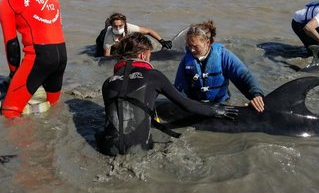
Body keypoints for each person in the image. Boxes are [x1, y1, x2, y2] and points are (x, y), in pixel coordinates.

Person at [98, 32, 238, 156]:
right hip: (141, 150)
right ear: (142, 55)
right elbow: (186, 105)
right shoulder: (154, 76)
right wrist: (216, 111)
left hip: (107, 149)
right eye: (149, 56)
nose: (149, 59)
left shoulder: (107, 83)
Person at [0, 0, 67, 118]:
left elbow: (11, 44)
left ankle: (27, 144)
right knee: (53, 107)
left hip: (39, 57)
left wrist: (14, 73)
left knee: (10, 112)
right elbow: (58, 24)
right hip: (62, 55)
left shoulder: (7, 1)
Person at [174, 21, 265, 112]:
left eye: (195, 46)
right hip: (197, 106)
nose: (192, 50)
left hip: (222, 105)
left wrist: (256, 95)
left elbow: (243, 76)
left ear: (208, 42)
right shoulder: (186, 60)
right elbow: (178, 88)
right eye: (189, 46)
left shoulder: (223, 56)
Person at [101, 12, 172, 57]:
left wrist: (162, 41)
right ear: (112, 25)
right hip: (105, 38)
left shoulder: (129, 27)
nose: (118, 28)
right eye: (115, 26)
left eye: (120, 25)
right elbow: (107, 57)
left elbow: (149, 31)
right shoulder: (108, 37)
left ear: (125, 23)